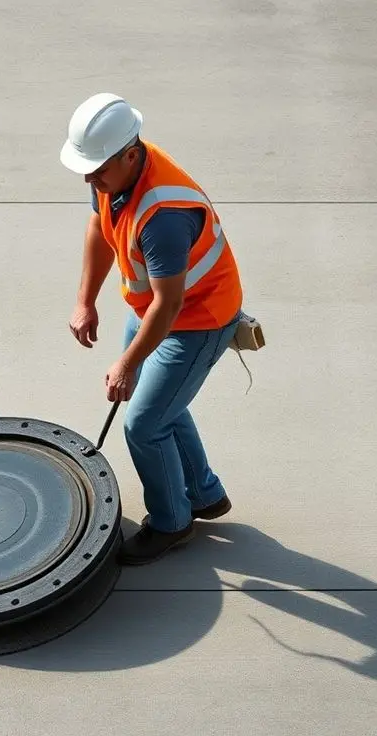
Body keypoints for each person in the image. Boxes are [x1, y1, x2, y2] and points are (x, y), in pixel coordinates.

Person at [60, 93, 244, 565]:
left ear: (131, 154)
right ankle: (203, 493)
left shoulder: (163, 215)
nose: (89, 178)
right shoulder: (113, 172)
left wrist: (125, 362)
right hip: (154, 308)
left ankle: (172, 523)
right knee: (159, 404)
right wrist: (85, 301)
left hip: (198, 320)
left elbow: (170, 304)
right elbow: (100, 227)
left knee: (143, 424)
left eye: (97, 169)